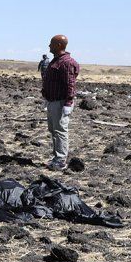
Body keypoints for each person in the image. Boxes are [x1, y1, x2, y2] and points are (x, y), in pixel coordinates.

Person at [41, 35, 80, 171]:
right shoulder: (56, 61)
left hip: (60, 102)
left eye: (51, 43)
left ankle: (61, 160)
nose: (49, 46)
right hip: (52, 101)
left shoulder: (66, 62)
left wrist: (68, 103)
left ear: (58, 45)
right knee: (53, 130)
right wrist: (46, 97)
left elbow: (70, 84)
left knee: (60, 131)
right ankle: (56, 157)